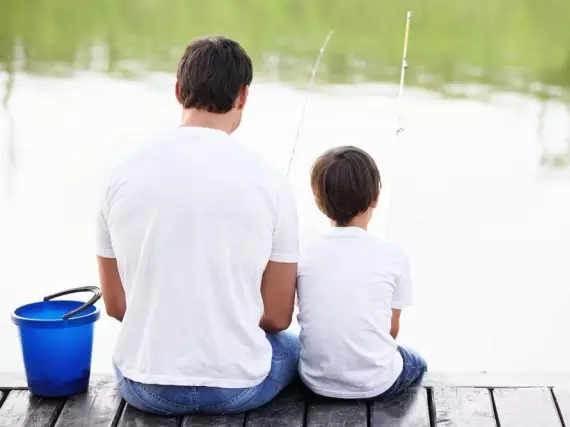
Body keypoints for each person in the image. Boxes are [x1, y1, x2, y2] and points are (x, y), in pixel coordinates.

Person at [96, 36, 300, 415]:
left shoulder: (120, 175)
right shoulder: (270, 181)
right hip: (237, 388)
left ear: (178, 91)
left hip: (144, 386)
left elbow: (118, 305)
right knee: (292, 347)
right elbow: (276, 317)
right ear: (242, 96)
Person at [296, 146, 426, 399]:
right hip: (376, 384)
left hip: (314, 382)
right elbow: (391, 330)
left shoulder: (303, 252)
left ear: (318, 201)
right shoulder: (394, 255)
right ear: (375, 197)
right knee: (417, 361)